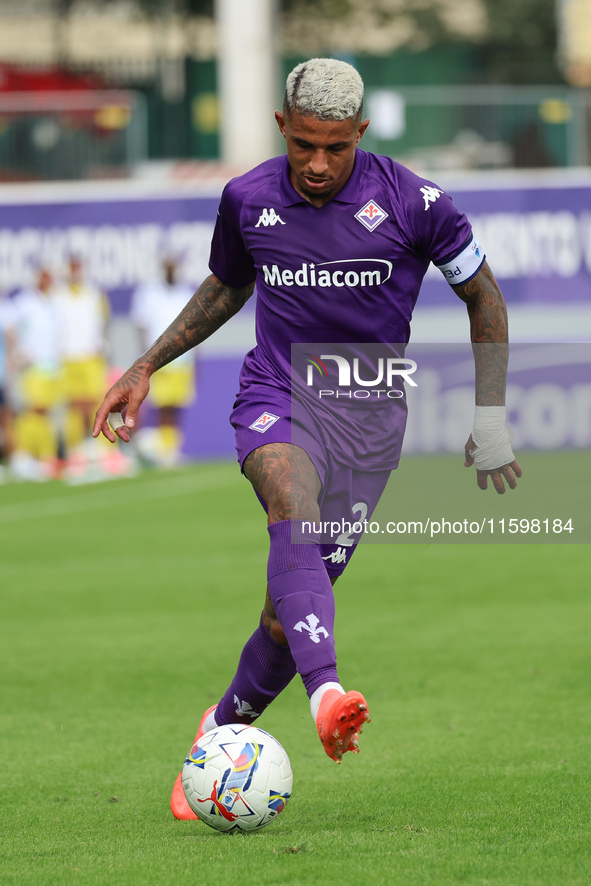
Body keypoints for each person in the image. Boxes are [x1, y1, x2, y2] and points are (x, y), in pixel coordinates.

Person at [93, 58, 522, 820]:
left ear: (359, 132)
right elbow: (227, 284)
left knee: (285, 618)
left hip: (367, 415)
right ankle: (327, 693)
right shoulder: (247, 197)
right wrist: (144, 363)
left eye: (335, 147)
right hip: (278, 391)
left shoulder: (417, 203)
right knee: (289, 496)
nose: (317, 164)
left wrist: (488, 417)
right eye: (303, 146)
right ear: (282, 128)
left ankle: (219, 728)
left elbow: (481, 294)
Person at [129, 256, 197, 467]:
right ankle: (159, 451)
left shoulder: (186, 292)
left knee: (176, 407)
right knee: (161, 407)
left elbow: (196, 327)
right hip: (158, 359)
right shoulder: (149, 292)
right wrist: (145, 357)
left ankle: (171, 449)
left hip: (183, 359)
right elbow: (141, 325)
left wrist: (196, 359)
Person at [4, 268, 62, 481]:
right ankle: (29, 454)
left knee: (46, 412)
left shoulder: (53, 301)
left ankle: (46, 455)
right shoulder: (24, 302)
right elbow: (13, 330)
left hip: (52, 366)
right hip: (33, 366)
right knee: (33, 411)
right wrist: (19, 354)